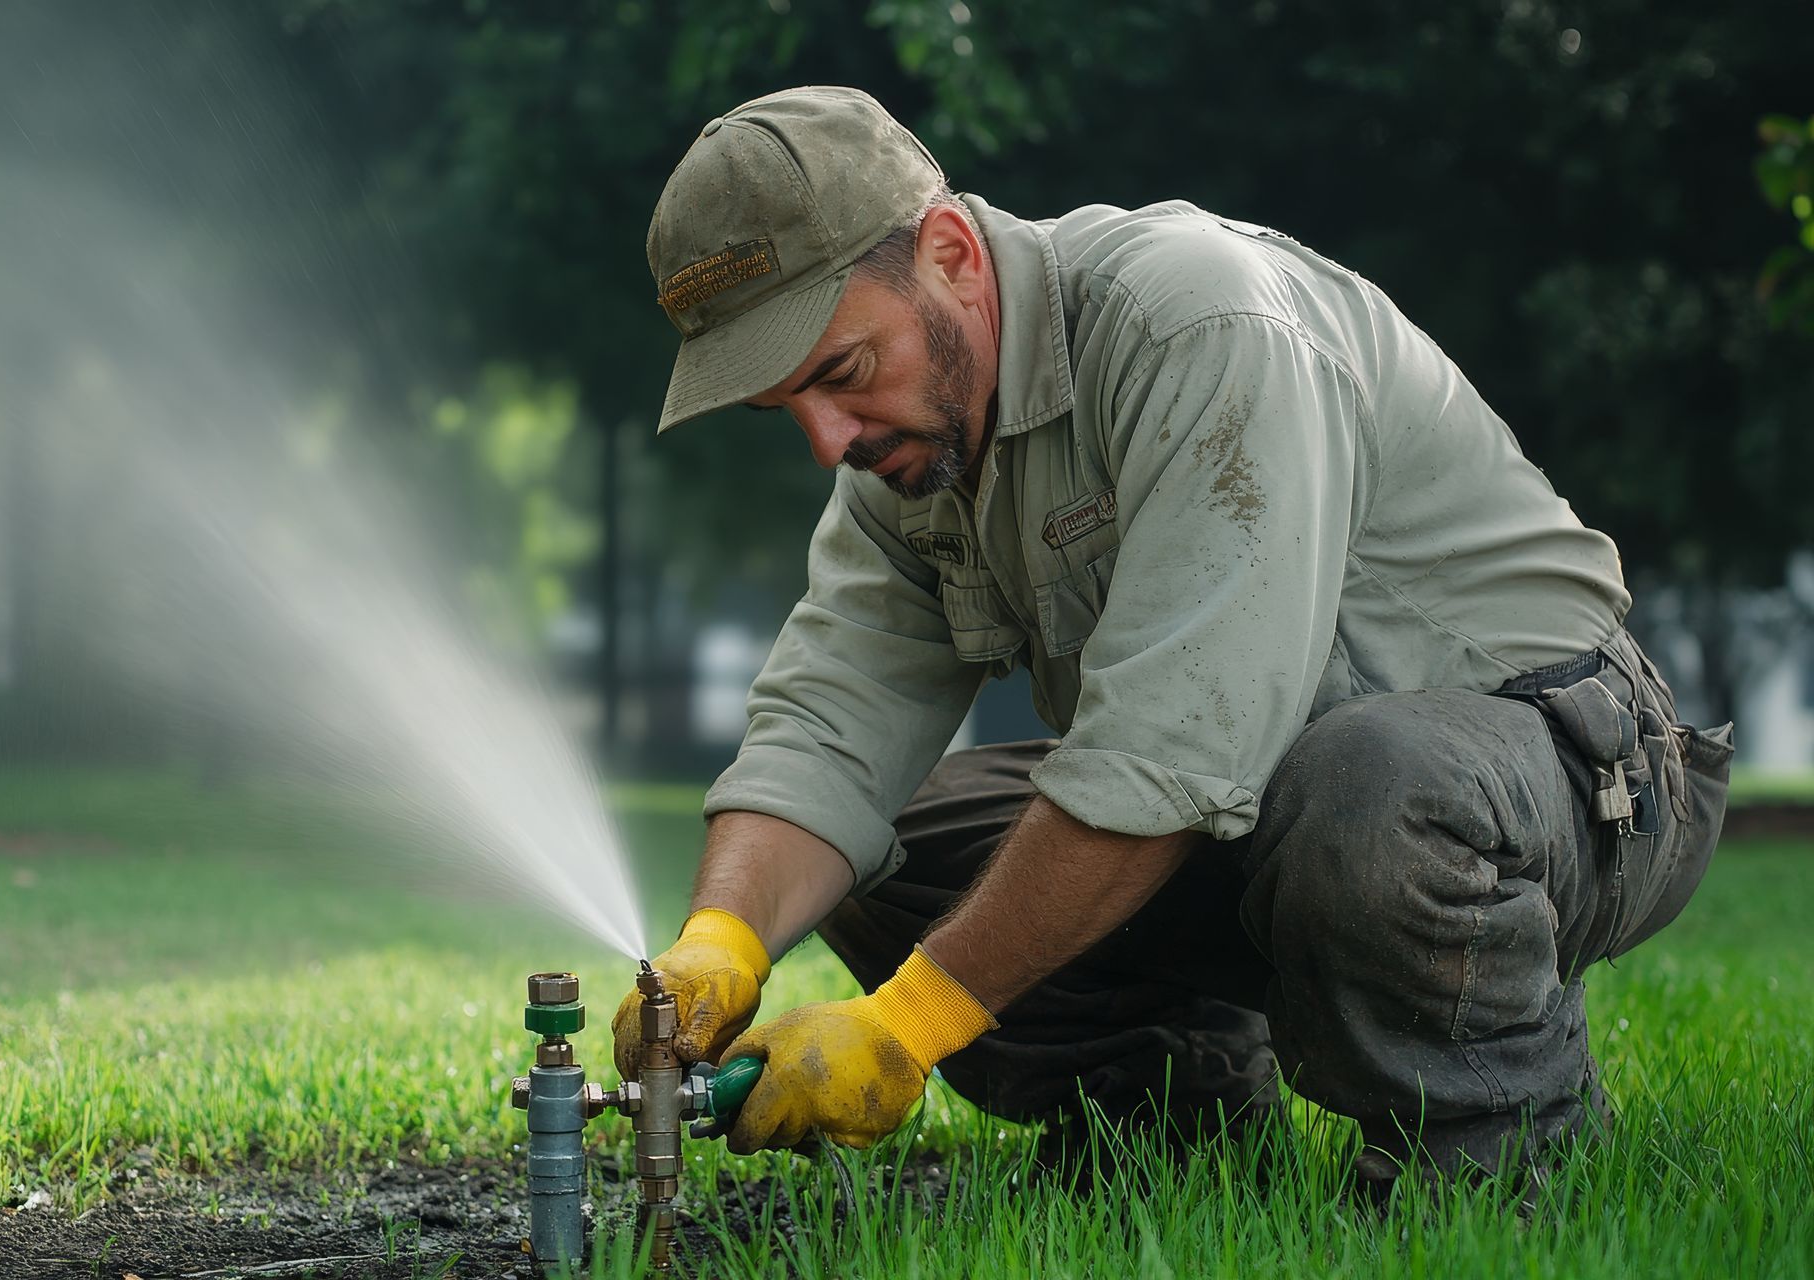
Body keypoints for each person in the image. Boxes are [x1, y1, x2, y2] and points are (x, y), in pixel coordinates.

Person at [614, 85, 1733, 1194]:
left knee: (1366, 786)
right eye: (786, 408)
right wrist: (725, 937)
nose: (827, 441)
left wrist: (906, 1025)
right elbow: (827, 729)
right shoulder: (910, 453)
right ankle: (1169, 1128)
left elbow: (1166, 751)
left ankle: (1510, 1153)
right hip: (1278, 815)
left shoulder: (1197, 325)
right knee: (890, 844)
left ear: (951, 254)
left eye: (843, 373)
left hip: (1570, 776)